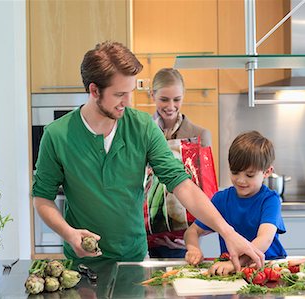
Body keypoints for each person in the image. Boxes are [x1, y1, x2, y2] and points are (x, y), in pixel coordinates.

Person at [32, 41, 264, 270]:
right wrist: (69, 233)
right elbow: (42, 199)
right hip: (82, 264)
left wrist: (228, 232)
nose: (128, 102)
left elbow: (181, 184)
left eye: (131, 92)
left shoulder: (142, 127)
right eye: (120, 94)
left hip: (133, 258)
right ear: (94, 91)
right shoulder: (57, 135)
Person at [184, 130, 287, 275]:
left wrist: (234, 263)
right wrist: (193, 248)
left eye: (249, 175)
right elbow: (192, 231)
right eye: (235, 172)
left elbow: (265, 238)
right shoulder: (220, 199)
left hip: (268, 268)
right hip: (232, 271)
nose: (240, 180)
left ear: (267, 172)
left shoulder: (270, 200)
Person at [147, 68, 212, 258]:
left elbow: (206, 190)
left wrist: (195, 234)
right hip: (143, 235)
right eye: (164, 99)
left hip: (184, 238)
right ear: (153, 95)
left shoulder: (199, 135)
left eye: (177, 99)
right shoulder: (142, 132)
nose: (171, 106)